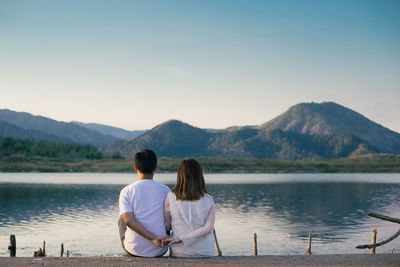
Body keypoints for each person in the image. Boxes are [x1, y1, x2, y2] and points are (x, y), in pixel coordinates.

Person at [118, 149, 170, 257]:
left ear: (135, 168)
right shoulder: (166, 190)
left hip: (134, 250)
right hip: (160, 248)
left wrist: (153, 238)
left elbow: (129, 221)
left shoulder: (126, 191)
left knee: (122, 219)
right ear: (155, 167)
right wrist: (155, 238)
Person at [163, 158, 217, 257]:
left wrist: (181, 237)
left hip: (179, 252)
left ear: (180, 175)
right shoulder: (209, 199)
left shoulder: (171, 197)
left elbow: (167, 225)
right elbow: (208, 228)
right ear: (200, 176)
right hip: (206, 252)